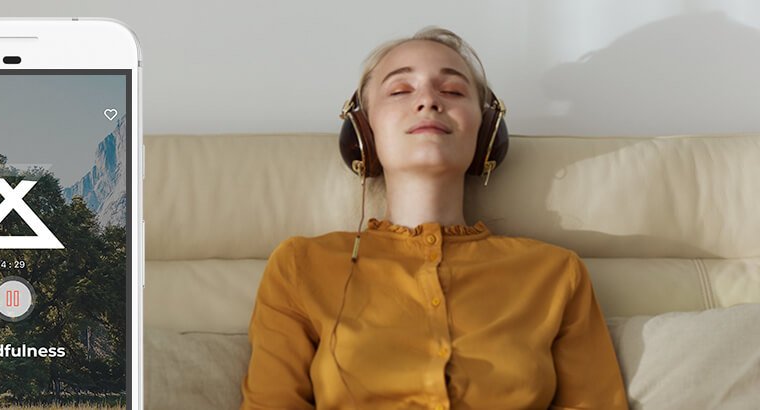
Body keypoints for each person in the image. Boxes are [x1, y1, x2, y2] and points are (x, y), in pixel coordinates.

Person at [241, 27, 628, 409]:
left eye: (453, 91)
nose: (428, 101)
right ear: (363, 131)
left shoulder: (557, 274)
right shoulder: (301, 266)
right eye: (400, 90)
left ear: (487, 131)